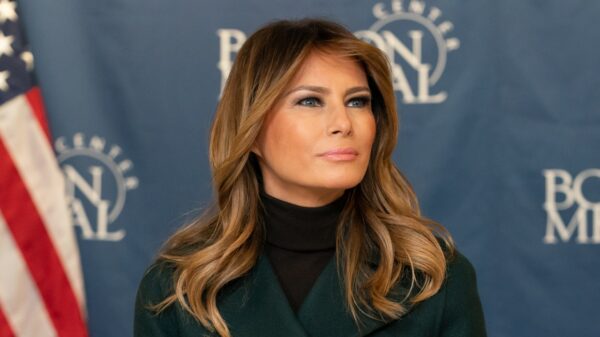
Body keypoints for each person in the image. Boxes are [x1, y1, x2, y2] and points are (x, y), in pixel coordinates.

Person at [134, 18, 487, 337]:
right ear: (252, 130)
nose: (343, 124)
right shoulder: (177, 286)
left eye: (357, 101)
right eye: (310, 102)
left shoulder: (434, 277)